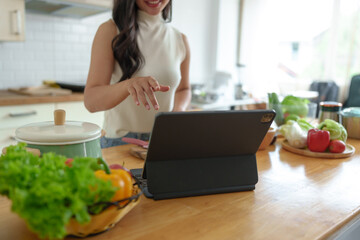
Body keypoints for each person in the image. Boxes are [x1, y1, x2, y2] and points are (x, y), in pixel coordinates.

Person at [84, 0, 191, 148]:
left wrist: (178, 110)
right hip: (120, 142)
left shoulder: (180, 39)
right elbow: (91, 101)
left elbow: (184, 89)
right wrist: (128, 85)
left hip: (164, 140)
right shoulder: (110, 30)